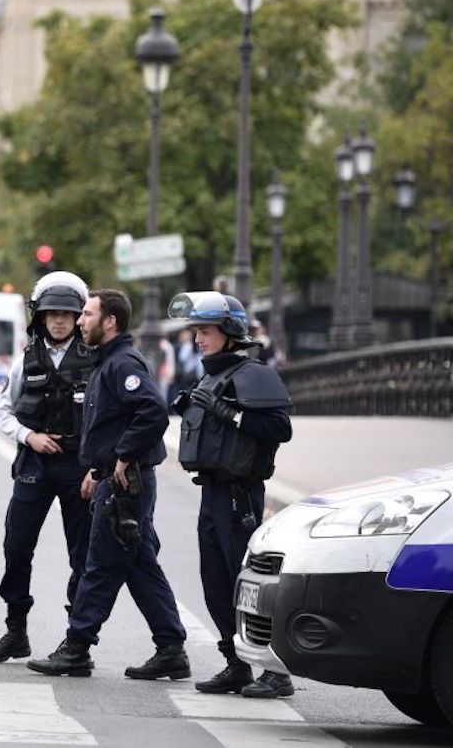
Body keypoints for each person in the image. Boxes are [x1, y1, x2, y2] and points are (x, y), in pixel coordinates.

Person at [28, 289, 189, 680]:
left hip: (127, 483)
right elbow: (113, 424)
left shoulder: (123, 363)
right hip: (116, 478)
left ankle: (77, 647)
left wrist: (122, 456)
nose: (80, 321)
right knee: (139, 565)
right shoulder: (107, 361)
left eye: (87, 314)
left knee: (99, 564)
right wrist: (99, 468)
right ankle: (171, 647)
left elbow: (152, 412)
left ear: (110, 321)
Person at [169, 292, 294, 699]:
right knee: (215, 582)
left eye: (204, 331)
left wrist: (229, 413)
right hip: (213, 491)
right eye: (195, 332)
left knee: (248, 585)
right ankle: (236, 663)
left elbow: (279, 428)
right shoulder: (212, 374)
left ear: (229, 332)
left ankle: (275, 671)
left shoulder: (253, 373)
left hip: (239, 494)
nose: (198, 339)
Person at [0, 272, 94, 664]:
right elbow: (2, 412)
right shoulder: (25, 359)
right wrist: (30, 437)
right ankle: (15, 631)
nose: (59, 321)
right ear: (40, 318)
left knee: (81, 554)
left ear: (78, 317)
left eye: (67, 314)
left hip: (79, 466)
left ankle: (75, 640)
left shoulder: (94, 360)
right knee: (16, 546)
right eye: (52, 314)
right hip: (35, 462)